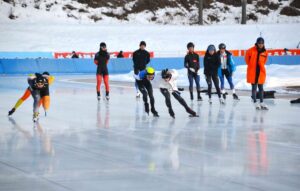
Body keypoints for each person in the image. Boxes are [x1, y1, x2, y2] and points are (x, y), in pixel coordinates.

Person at [245, 37, 268, 110]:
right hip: (253, 71)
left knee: (261, 88)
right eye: (259, 43)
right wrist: (252, 65)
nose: (260, 45)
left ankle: (261, 102)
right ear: (257, 43)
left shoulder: (265, 52)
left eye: (262, 43)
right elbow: (247, 60)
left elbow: (264, 61)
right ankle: (255, 101)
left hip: (261, 72)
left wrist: (260, 66)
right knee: (254, 88)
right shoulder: (250, 50)